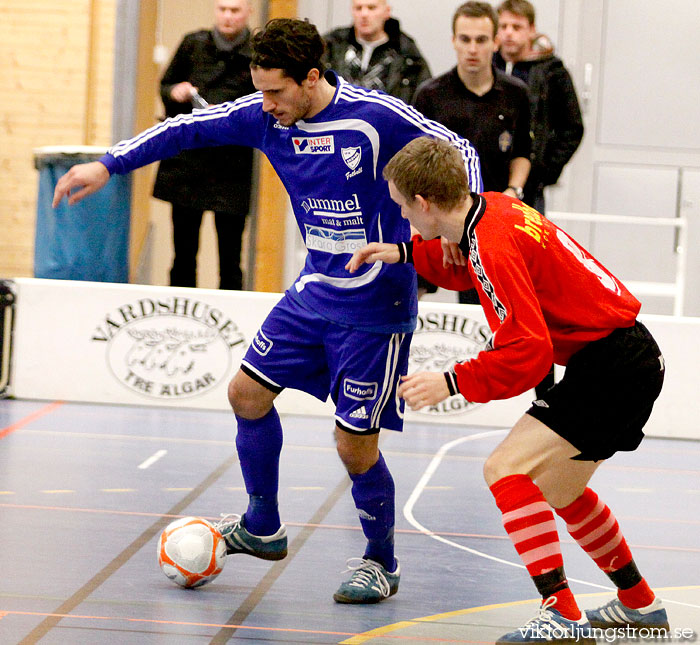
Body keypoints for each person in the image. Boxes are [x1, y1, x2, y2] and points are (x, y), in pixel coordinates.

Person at [53, 19, 482, 604]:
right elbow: (186, 129)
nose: (266, 104)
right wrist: (109, 164)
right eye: (260, 91)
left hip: (377, 306)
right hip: (312, 293)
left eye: (276, 92)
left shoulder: (374, 116)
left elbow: (458, 147)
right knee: (245, 394)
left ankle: (381, 561)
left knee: (354, 444)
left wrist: (468, 221)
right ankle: (262, 527)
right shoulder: (264, 116)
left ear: (311, 78)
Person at [347, 136, 668, 642]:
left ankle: (561, 612)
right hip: (628, 357)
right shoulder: (492, 207)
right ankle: (640, 603)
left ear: (425, 204)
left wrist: (452, 380)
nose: (406, 220)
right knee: (562, 489)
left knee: (504, 469)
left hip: (611, 366)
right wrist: (406, 252)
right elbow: (462, 258)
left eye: (405, 211)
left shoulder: (490, 242)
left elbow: (527, 349)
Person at [413, 0, 530, 305]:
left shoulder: (517, 93)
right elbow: (416, 165)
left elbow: (523, 152)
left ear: (495, 42)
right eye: (465, 39)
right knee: (411, 296)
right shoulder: (430, 95)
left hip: (493, 217)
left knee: (491, 304)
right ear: (453, 41)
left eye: (481, 40)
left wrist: (513, 190)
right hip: (439, 217)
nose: (472, 49)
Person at [153, 0, 255, 290]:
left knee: (231, 257)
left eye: (235, 10)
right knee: (183, 254)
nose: (227, 16)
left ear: (247, 12)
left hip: (232, 165)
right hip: (188, 161)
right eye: (222, 9)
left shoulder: (256, 53)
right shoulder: (193, 44)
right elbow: (165, 85)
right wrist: (177, 91)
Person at [494, 0, 583, 215]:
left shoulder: (551, 72)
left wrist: (543, 171)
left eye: (516, 27)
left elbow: (572, 128)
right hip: (488, 176)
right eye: (503, 26)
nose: (509, 33)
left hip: (529, 186)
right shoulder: (487, 67)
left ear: (531, 30)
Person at [323, 0, 431, 104]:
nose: (364, 14)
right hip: (336, 118)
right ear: (352, 11)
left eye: (371, 8)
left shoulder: (407, 55)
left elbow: (424, 100)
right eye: (358, 8)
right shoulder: (332, 45)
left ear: (387, 12)